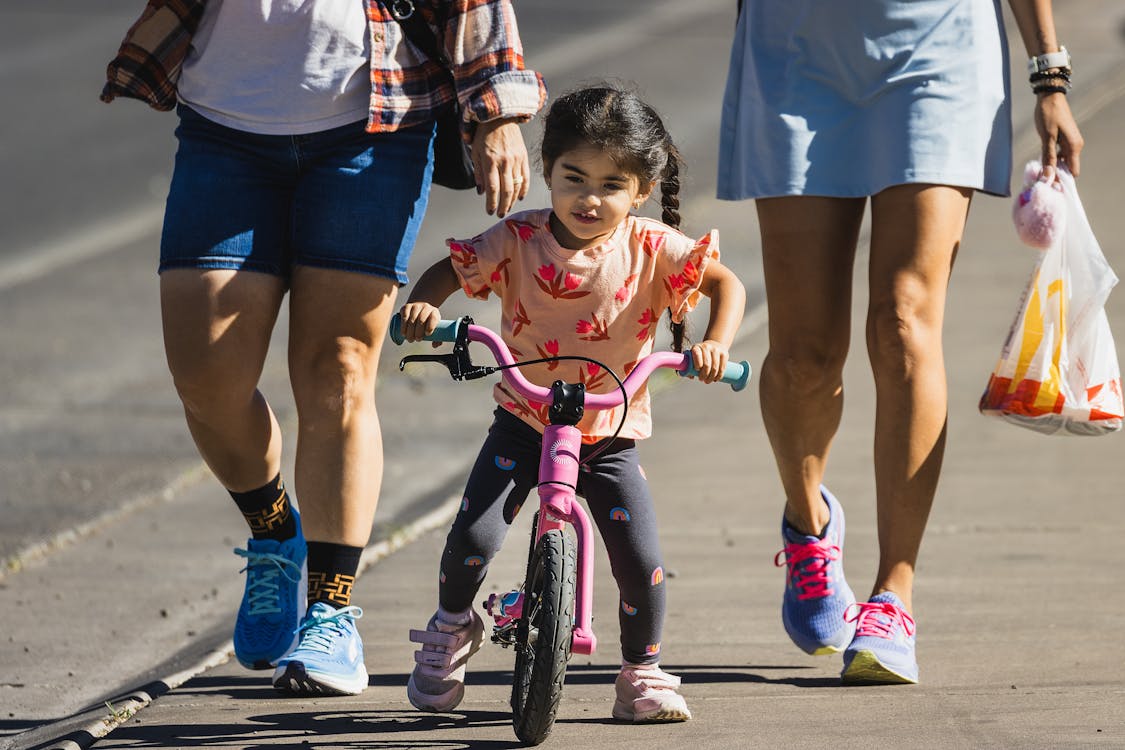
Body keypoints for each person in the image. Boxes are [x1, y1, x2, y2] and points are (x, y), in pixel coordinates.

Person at [101, 0, 546, 696]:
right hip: (226, 125)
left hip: (374, 128)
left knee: (338, 368)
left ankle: (332, 611)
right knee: (205, 377)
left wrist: (496, 114)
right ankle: (274, 530)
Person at [718, 0, 1084, 684]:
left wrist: (1049, 76)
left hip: (939, 44)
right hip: (795, 48)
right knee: (802, 353)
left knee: (901, 319)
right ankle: (808, 527)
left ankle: (893, 595)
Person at [396, 85, 746, 721]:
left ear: (640, 190)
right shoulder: (519, 238)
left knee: (641, 561)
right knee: (472, 536)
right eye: (574, 178)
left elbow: (726, 285)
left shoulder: (651, 244)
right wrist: (427, 305)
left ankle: (642, 672)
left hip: (609, 430)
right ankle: (451, 629)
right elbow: (453, 270)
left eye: (612, 184)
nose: (590, 198)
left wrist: (715, 344)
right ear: (546, 171)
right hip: (525, 420)